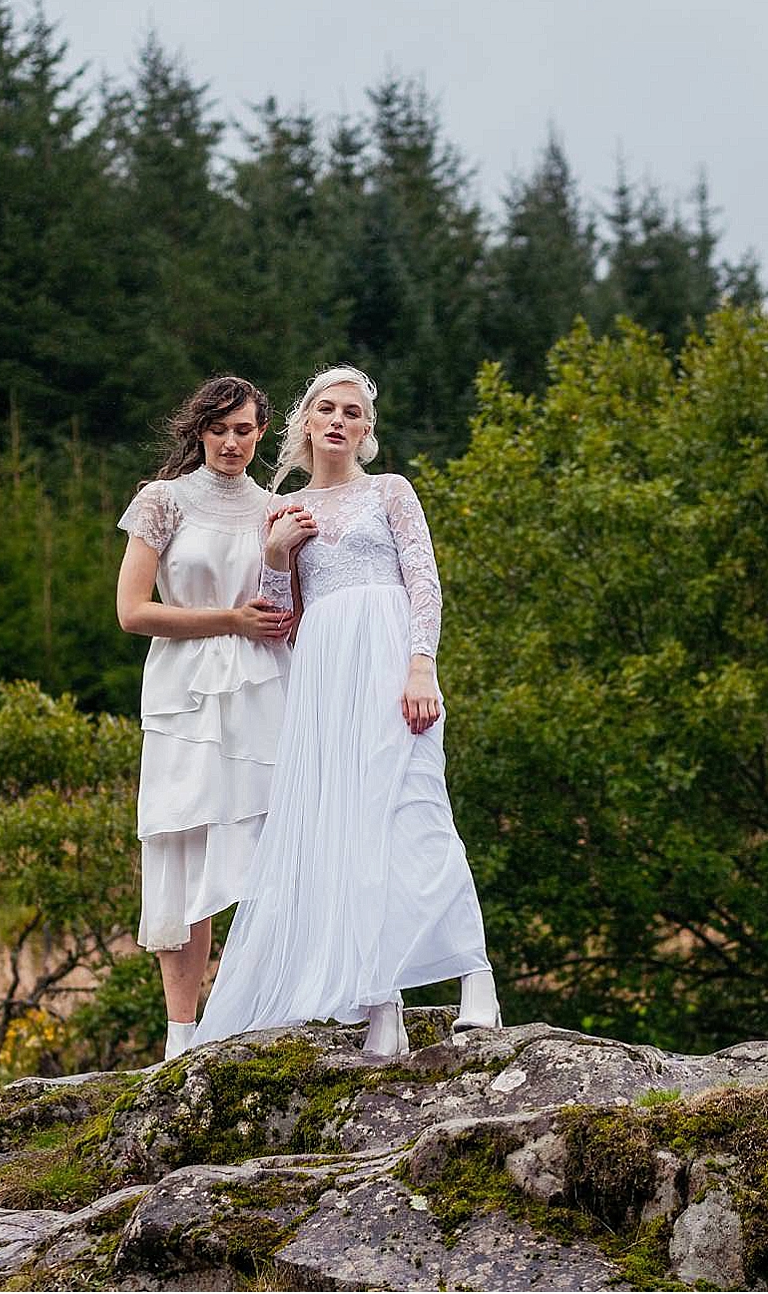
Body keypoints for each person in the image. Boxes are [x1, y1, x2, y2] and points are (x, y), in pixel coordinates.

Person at [193, 365, 501, 1057]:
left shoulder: (390, 491)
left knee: (418, 810)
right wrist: (274, 557)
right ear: (306, 422)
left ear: (366, 430)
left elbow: (424, 580)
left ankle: (475, 980)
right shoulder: (280, 509)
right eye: (326, 409)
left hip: (393, 661)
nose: (338, 420)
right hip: (326, 678)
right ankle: (379, 1006)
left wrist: (421, 664)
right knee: (351, 832)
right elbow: (281, 619)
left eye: (352, 412)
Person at [116, 375, 301, 1061]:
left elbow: (286, 610)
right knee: (182, 844)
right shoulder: (162, 501)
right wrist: (229, 618)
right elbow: (132, 611)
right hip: (183, 690)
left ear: (260, 433)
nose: (231, 442)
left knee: (261, 842)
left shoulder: (275, 508)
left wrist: (279, 563)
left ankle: (263, 1011)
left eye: (244, 430)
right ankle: (180, 1035)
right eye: (219, 429)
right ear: (198, 431)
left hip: (261, 688)